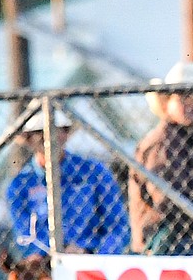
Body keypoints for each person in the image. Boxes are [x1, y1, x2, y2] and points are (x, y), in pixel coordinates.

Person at [128, 60, 193, 254]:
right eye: (185, 97)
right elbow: (167, 204)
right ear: (168, 102)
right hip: (165, 245)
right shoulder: (160, 144)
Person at [7, 108, 130, 257]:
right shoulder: (20, 185)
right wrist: (54, 252)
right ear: (27, 138)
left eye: (56, 130)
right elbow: (24, 235)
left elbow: (118, 226)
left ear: (66, 133)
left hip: (92, 261)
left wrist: (90, 252)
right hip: (45, 264)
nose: (49, 137)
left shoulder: (94, 172)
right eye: (40, 132)